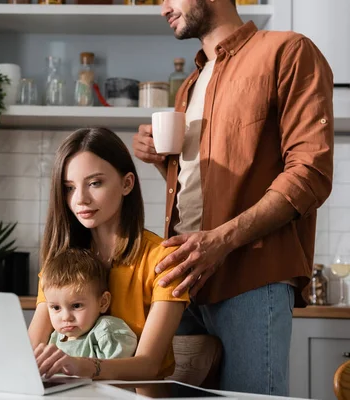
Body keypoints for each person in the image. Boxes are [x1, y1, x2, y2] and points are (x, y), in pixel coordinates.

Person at [132, 0, 334, 395]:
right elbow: (203, 189)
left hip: (252, 281)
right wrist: (163, 162)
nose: (163, 9)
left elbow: (310, 173)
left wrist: (220, 241)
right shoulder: (190, 85)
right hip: (181, 285)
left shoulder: (287, 51)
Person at [28, 127, 190, 381]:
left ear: (127, 183)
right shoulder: (59, 263)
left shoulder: (164, 260)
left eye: (94, 183)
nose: (80, 199)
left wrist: (84, 367)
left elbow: (147, 366)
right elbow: (31, 354)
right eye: (69, 188)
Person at [41, 248, 138, 359]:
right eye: (56, 307)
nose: (66, 317)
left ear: (103, 303)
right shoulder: (55, 337)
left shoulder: (106, 332)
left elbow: (116, 370)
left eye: (76, 306)